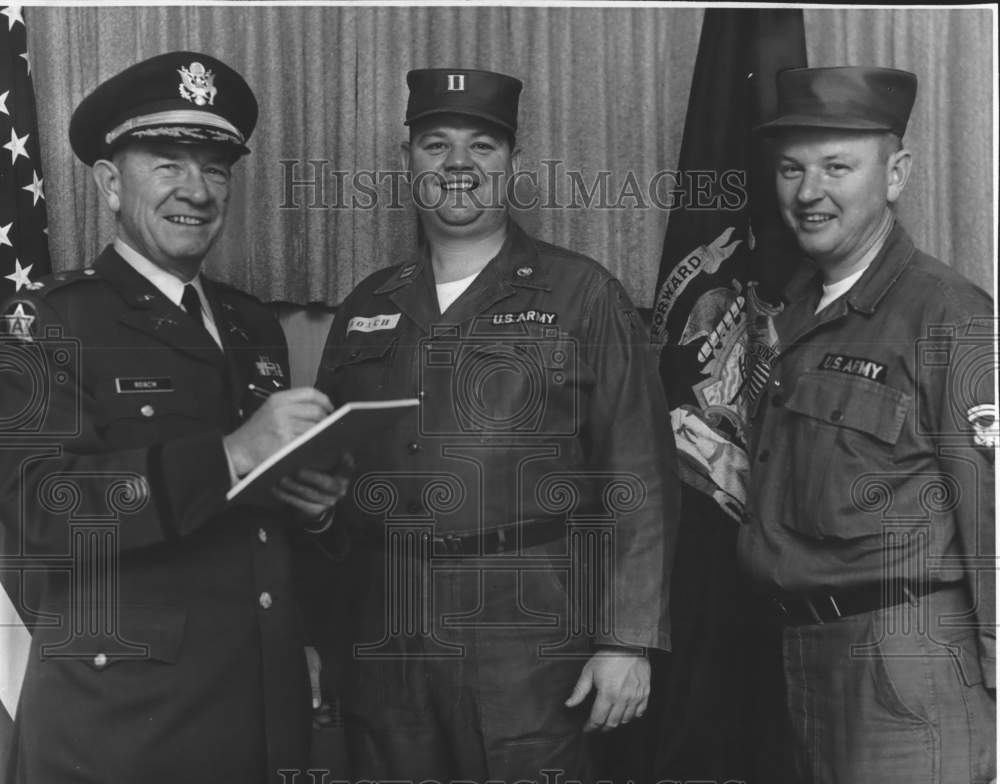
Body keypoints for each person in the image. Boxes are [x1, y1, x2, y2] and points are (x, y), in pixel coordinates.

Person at [312, 68, 679, 782]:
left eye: (482, 145)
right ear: (408, 160)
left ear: (514, 164)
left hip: (527, 636)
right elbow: (321, 482)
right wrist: (316, 634)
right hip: (385, 634)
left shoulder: (581, 294)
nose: (458, 165)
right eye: (436, 144)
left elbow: (641, 476)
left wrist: (627, 643)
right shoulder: (366, 305)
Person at [0, 51, 344, 784]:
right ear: (109, 184)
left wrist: (309, 505)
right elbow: (40, 510)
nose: (197, 190)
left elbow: (257, 519)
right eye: (167, 163)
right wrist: (229, 454)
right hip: (124, 723)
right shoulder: (45, 321)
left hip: (260, 702)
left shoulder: (253, 326)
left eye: (215, 168)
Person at [739, 66, 996, 783]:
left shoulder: (949, 315)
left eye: (837, 167)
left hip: (907, 659)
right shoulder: (792, 312)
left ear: (896, 173)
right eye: (791, 168)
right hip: (805, 655)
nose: (808, 192)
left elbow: (994, 506)